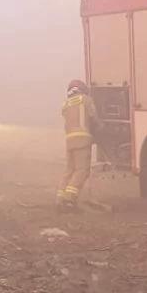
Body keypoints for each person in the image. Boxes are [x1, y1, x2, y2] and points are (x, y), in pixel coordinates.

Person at [57, 79, 99, 211]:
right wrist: (101, 126)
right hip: (82, 139)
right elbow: (93, 116)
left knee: (69, 170)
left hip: (70, 140)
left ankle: (60, 198)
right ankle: (69, 199)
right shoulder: (85, 99)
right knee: (82, 170)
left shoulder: (66, 104)